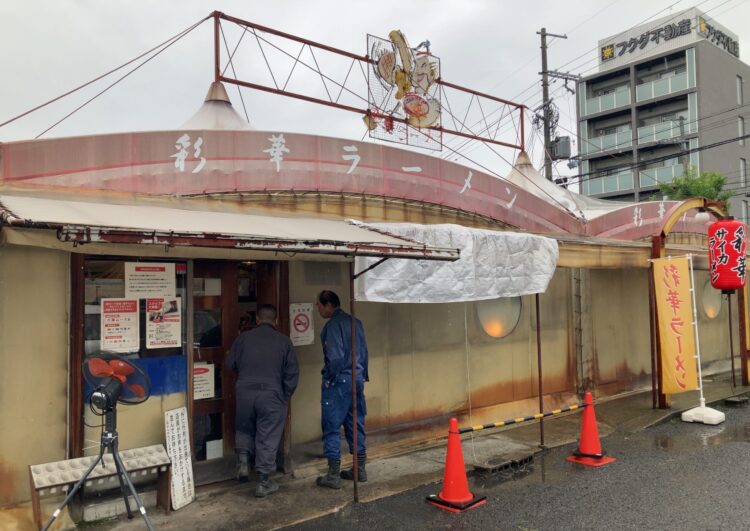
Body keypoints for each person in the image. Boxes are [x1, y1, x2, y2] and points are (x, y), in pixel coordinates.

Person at [226, 304, 299, 497]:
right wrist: (284, 395)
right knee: (268, 435)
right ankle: (263, 482)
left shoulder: (243, 339)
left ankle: (242, 462)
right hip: (272, 394)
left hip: (244, 391)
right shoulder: (284, 342)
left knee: (244, 426)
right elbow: (292, 373)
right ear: (275, 321)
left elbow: (229, 363)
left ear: (257, 319)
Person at [314, 290, 369, 489]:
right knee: (356, 422)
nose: (317, 309)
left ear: (329, 305)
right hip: (357, 379)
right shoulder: (356, 322)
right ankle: (360, 469)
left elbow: (335, 358)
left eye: (319, 305)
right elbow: (364, 353)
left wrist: (328, 377)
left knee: (331, 426)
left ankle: (333, 475)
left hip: (339, 382)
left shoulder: (333, 326)